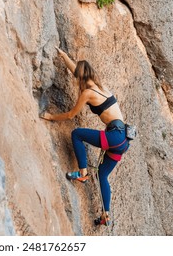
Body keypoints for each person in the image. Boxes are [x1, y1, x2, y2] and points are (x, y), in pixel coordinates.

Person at [40, 47, 129, 226]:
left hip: (114, 136)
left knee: (77, 134)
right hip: (123, 140)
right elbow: (77, 71)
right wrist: (65, 57)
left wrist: (51, 117)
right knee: (103, 175)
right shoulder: (101, 87)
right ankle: (106, 215)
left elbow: (71, 115)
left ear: (81, 77)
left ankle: (82, 173)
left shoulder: (88, 93)